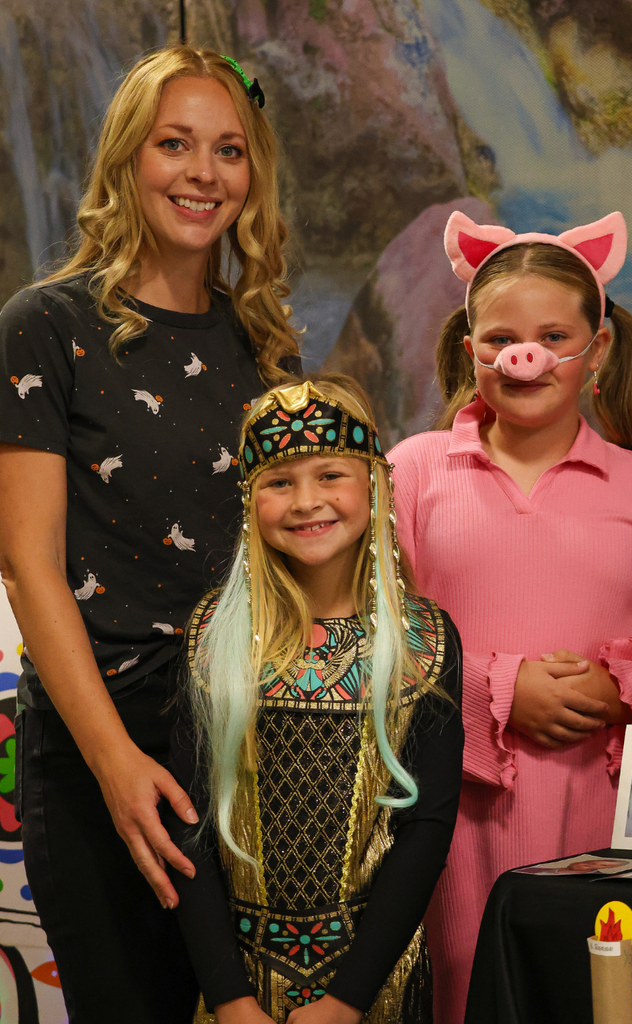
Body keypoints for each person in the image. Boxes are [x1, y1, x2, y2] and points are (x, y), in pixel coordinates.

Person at [388, 210, 632, 1022]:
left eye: (553, 335)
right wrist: (498, 688)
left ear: (595, 349)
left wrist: (623, 687)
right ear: (468, 350)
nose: (525, 357)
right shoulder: (410, 473)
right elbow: (366, 643)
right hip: (447, 825)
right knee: (464, 991)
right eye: (499, 339)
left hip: (613, 829)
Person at [0, 46, 301, 1023]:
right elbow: (27, 563)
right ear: (128, 157)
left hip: (248, 749)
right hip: (101, 750)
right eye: (175, 145)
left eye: (228, 149)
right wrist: (116, 763)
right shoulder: (46, 326)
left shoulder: (264, 341)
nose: (203, 173)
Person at [164, 376, 464, 1023]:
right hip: (236, 987)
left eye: (329, 475)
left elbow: (425, 833)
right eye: (279, 482)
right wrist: (229, 999)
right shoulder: (213, 640)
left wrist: (344, 1001)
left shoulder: (425, 643)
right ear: (250, 501)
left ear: (373, 484)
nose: (306, 502)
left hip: (375, 983)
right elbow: (186, 826)